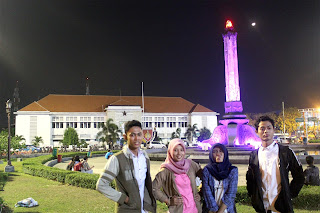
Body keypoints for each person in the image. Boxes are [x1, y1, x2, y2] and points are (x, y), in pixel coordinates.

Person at [246, 115, 305, 213]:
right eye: (262, 128)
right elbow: (250, 178)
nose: (266, 131)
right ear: (256, 132)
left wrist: (289, 194)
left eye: (269, 128)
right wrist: (254, 197)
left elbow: (299, 175)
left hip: (281, 206)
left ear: (273, 130)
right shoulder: (254, 155)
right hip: (262, 206)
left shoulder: (285, 152)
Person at [96, 120, 156, 213]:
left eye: (139, 134)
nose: (136, 138)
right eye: (132, 135)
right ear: (125, 137)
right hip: (127, 209)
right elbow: (101, 185)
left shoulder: (145, 157)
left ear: (142, 136)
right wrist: (124, 199)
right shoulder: (117, 159)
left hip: (144, 209)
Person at [152, 138, 202, 213]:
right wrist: (168, 201)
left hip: (194, 209)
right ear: (170, 151)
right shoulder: (166, 170)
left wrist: (201, 193)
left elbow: (206, 177)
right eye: (175, 150)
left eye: (181, 150)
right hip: (178, 210)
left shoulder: (191, 164)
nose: (179, 153)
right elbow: (154, 188)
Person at [202, 143, 238, 213]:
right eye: (214, 151)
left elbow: (231, 193)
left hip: (227, 209)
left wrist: (220, 211)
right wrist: (214, 209)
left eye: (221, 151)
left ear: (225, 153)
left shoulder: (232, 170)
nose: (218, 154)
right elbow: (207, 192)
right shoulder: (207, 170)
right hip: (210, 210)